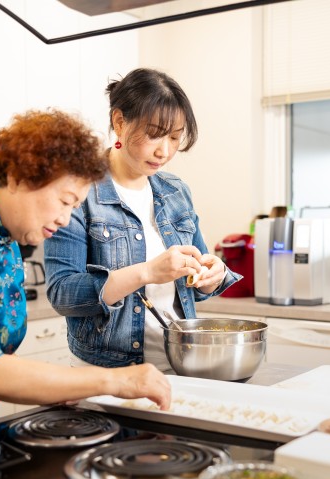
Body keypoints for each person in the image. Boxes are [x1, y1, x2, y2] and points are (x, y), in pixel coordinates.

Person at [0, 109, 171, 438]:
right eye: (64, 201)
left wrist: (62, 386)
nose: (65, 219)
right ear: (19, 177)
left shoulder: (7, 235)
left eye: (74, 208)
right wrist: (114, 379)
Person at [44, 68, 241, 372]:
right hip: (106, 371)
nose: (164, 150)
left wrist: (209, 275)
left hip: (180, 365)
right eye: (154, 134)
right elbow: (63, 294)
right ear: (119, 122)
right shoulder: (80, 191)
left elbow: (197, 276)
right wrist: (147, 272)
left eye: (175, 137)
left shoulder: (175, 191)